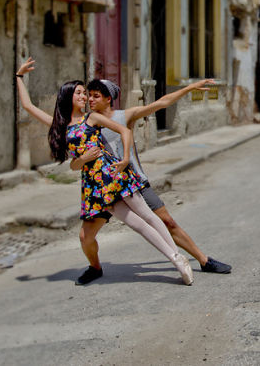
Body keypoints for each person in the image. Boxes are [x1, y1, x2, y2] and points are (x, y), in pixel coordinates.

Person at [16, 59, 193, 285]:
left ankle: (178, 260)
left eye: (85, 93)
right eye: (79, 93)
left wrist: (126, 158)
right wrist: (19, 77)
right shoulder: (60, 126)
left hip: (113, 172)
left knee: (148, 216)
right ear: (67, 96)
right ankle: (176, 258)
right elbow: (29, 107)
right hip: (95, 183)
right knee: (136, 224)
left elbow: (124, 132)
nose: (84, 97)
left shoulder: (92, 118)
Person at [66, 77, 232, 280]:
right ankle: (95, 267)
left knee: (167, 221)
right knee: (86, 236)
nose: (90, 100)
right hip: (103, 188)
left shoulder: (124, 116)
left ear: (108, 98)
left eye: (95, 96)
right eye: (88, 95)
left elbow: (162, 102)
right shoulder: (84, 122)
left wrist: (189, 87)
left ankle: (203, 260)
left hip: (133, 182)